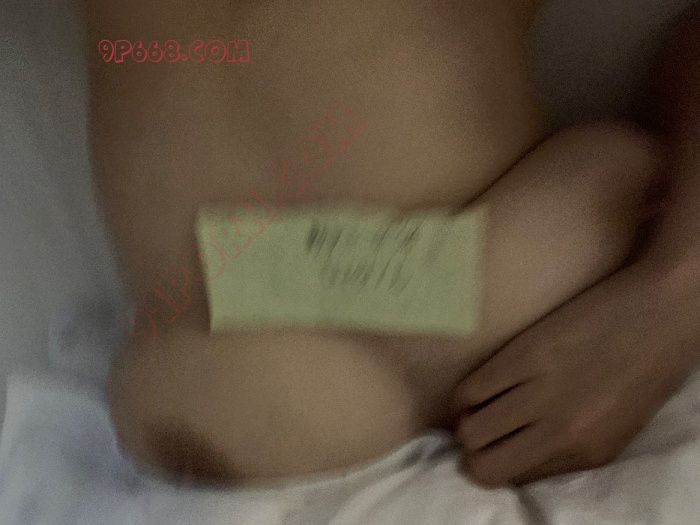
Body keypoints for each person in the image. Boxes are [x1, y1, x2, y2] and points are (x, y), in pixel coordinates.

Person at [87, 0, 689, 487]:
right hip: (211, 393)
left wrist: (676, 295)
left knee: (622, 171)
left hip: (524, 374)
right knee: (620, 171)